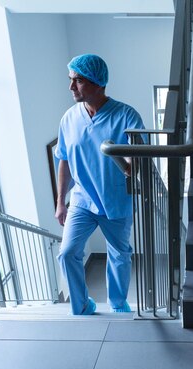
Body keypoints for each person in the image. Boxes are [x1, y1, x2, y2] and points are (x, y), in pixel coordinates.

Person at [54, 54, 144, 315]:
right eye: (71, 80)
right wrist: (61, 201)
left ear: (97, 83)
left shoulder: (126, 115)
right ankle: (82, 306)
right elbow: (64, 160)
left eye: (78, 81)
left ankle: (118, 305)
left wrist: (129, 166)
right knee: (67, 253)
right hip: (82, 200)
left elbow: (136, 156)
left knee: (119, 255)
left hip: (115, 199)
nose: (71, 87)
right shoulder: (69, 118)